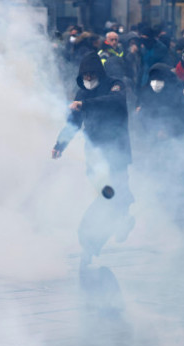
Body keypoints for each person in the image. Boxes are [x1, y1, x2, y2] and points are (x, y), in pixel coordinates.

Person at [52, 53, 134, 264]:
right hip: (95, 154)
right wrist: (60, 145)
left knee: (116, 193)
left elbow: (115, 102)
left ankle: (116, 224)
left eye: (91, 74)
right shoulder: (82, 94)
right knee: (107, 196)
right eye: (84, 76)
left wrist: (85, 105)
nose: (88, 79)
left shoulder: (115, 85)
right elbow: (73, 123)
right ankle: (103, 233)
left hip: (116, 149)